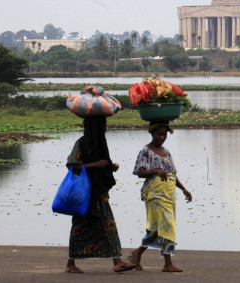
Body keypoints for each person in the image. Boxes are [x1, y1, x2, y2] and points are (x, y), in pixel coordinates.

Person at [65, 115, 136, 273]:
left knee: (108, 225)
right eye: (102, 125)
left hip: (99, 193)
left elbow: (103, 163)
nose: (105, 127)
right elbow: (72, 165)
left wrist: (109, 167)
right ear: (94, 127)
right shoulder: (82, 143)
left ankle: (117, 261)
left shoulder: (100, 144)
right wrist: (96, 164)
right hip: (85, 194)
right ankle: (71, 264)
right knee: (80, 227)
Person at [128, 122, 192, 272]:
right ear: (152, 133)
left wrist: (183, 189)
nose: (161, 138)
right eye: (158, 134)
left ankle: (137, 253)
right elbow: (140, 172)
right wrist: (155, 171)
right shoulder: (146, 151)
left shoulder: (166, 152)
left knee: (157, 227)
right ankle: (168, 263)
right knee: (168, 224)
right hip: (154, 194)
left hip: (169, 194)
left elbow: (172, 174)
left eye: (164, 135)